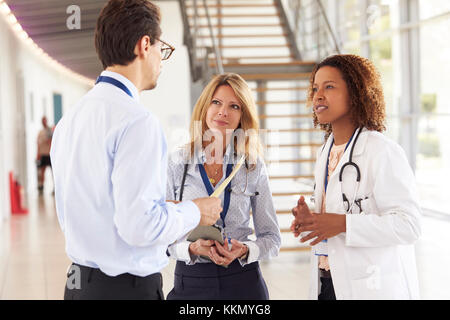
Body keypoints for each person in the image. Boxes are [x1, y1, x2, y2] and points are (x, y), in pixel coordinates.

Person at [50, 0, 221, 300]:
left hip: (78, 285)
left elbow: (83, 209)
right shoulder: (138, 121)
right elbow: (140, 228)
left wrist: (162, 206)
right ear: (144, 45)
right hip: (124, 290)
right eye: (161, 48)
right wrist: (195, 210)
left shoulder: (70, 120)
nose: (160, 59)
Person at [290, 54, 421, 300]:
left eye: (329, 87)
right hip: (328, 281)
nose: (318, 95)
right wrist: (310, 215)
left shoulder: (382, 150)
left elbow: (409, 225)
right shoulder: (326, 149)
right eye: (315, 88)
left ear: (356, 92)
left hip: (371, 285)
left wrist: (341, 224)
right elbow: (339, 204)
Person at [166, 73, 281, 300]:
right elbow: (161, 235)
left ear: (242, 116)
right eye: (216, 102)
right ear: (204, 107)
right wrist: (190, 249)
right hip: (191, 282)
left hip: (243, 281)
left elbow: (272, 237)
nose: (223, 112)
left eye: (234, 106)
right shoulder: (177, 162)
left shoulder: (252, 166)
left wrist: (246, 250)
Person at [36, 116, 53, 194]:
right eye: (43, 121)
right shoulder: (40, 132)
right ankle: (41, 187)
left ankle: (55, 187)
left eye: (45, 120)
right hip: (43, 154)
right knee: (42, 171)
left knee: (52, 171)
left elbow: (51, 141)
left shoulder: (50, 130)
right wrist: (38, 154)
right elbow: (38, 144)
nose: (44, 122)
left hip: (49, 154)